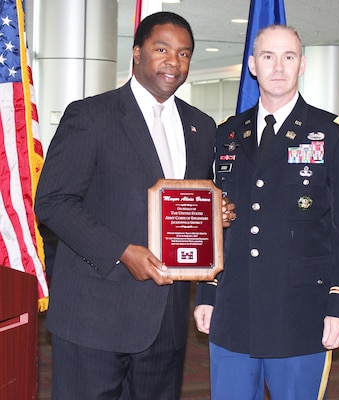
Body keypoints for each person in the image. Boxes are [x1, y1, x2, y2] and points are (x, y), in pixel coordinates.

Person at [35, 11, 234, 400]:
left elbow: (191, 200)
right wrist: (122, 252)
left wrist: (217, 212)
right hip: (94, 317)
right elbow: (53, 202)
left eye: (184, 54)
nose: (173, 62)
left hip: (166, 322)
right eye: (162, 49)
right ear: (137, 53)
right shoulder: (91, 115)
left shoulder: (201, 126)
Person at [194, 24, 339, 399]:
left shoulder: (335, 133)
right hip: (233, 311)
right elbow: (215, 222)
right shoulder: (226, 133)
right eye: (268, 56)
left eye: (288, 57)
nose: (279, 67)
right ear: (252, 65)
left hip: (301, 315)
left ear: (302, 64)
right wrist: (208, 293)